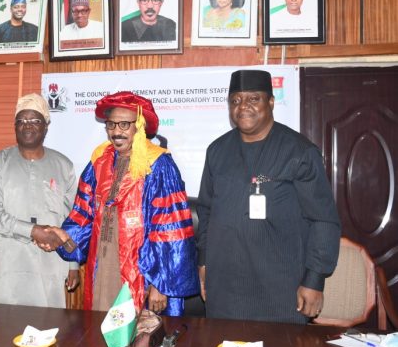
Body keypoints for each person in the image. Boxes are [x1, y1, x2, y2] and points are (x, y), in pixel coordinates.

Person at [195, 69, 341, 324]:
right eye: (236, 100)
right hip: (225, 288)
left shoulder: (299, 152)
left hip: (280, 290)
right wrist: (204, 261)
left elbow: (323, 220)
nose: (243, 106)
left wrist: (314, 279)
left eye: (254, 98)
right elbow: (206, 211)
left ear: (271, 102)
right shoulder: (217, 151)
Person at [48, 92, 199, 316]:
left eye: (124, 125)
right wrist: (63, 238)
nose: (116, 131)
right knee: (101, 323)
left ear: (139, 127)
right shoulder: (99, 160)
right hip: (104, 262)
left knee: (138, 331)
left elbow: (170, 229)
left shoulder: (159, 165)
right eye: (111, 124)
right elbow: (83, 213)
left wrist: (160, 283)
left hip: (142, 270)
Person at [0, 93, 78, 308]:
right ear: (15, 126)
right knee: (7, 324)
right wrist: (32, 230)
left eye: (35, 120)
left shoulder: (64, 165)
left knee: (49, 324)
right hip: (11, 262)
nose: (27, 125)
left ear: (46, 126)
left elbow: (71, 219)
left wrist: (73, 264)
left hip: (50, 262)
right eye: (21, 120)